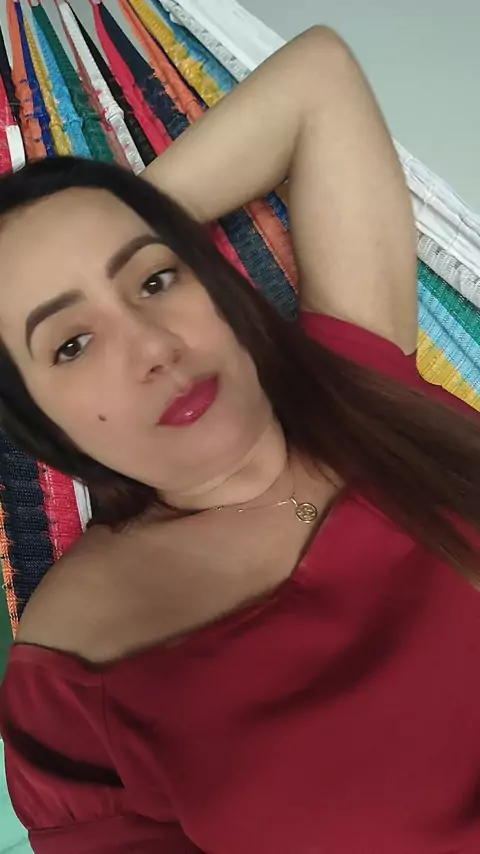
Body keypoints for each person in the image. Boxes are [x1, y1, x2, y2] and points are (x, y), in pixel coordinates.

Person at [0, 25, 479, 854]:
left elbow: (320, 78)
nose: (156, 346)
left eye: (157, 279)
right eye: (71, 345)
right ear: (38, 423)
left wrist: (92, 223)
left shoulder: (359, 381)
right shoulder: (78, 662)